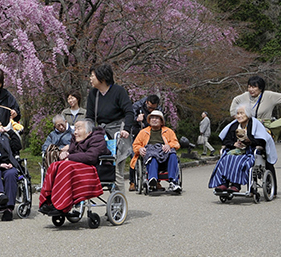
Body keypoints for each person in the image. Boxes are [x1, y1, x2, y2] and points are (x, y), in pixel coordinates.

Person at [39, 119, 107, 215]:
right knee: (55, 165)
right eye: (75, 129)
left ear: (89, 132)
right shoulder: (75, 140)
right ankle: (49, 201)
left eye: (79, 129)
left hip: (94, 168)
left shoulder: (97, 139)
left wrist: (69, 157)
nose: (75, 132)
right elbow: (73, 153)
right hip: (79, 167)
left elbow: (91, 157)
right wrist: (65, 153)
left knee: (67, 166)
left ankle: (61, 204)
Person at [85, 63, 134, 191]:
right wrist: (85, 130)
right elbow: (89, 117)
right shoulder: (93, 94)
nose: (90, 79)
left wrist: (126, 129)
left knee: (117, 167)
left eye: (92, 76)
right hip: (101, 133)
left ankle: (118, 201)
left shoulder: (119, 91)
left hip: (118, 132)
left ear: (102, 78)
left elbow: (129, 112)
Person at [208, 106, 277, 193]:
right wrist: (234, 144)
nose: (239, 116)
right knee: (224, 159)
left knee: (239, 160)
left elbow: (261, 141)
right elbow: (226, 140)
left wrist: (248, 141)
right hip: (236, 151)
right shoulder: (234, 125)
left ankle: (235, 185)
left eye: (242, 113)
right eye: (237, 113)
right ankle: (223, 184)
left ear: (248, 114)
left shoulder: (254, 124)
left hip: (250, 152)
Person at [229, 76, 281, 141]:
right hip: (247, 126)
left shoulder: (269, 95)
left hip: (265, 126)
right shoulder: (245, 96)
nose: (251, 90)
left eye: (254, 87)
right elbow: (235, 100)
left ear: (260, 88)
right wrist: (234, 115)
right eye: (249, 87)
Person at [131, 110, 182, 193]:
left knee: (172, 154)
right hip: (150, 153)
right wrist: (140, 149)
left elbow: (176, 143)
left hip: (164, 152)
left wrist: (169, 145)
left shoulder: (169, 131)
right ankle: (152, 179)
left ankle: (173, 182)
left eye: (157, 118)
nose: (154, 120)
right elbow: (135, 145)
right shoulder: (143, 132)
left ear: (161, 121)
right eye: (152, 118)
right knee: (152, 156)